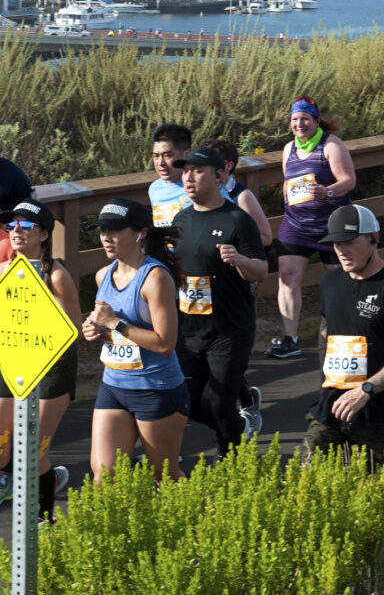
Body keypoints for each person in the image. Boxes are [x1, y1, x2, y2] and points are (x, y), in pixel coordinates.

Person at [305, 206, 384, 466]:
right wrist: (327, 379)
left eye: (349, 243)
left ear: (374, 237)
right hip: (332, 408)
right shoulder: (330, 282)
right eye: (336, 244)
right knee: (311, 485)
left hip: (381, 416)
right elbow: (326, 333)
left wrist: (366, 389)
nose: (342, 251)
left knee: (376, 496)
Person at [170, 147, 269, 453]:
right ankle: (239, 429)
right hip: (188, 330)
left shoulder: (237, 220)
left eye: (197, 171)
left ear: (219, 175)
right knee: (182, 401)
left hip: (229, 330)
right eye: (185, 171)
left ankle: (232, 467)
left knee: (219, 403)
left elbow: (262, 271)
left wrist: (239, 259)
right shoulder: (181, 219)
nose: (189, 177)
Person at [81, 199, 188, 482]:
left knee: (166, 477)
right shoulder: (103, 275)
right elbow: (111, 332)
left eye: (115, 230)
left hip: (156, 389)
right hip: (114, 387)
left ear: (140, 233)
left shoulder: (155, 278)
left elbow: (165, 343)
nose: (106, 237)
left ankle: (201, 525)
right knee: (105, 476)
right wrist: (96, 331)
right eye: (102, 230)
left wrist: (115, 323)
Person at [0, 200, 80, 519]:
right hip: (13, 361)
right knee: (2, 445)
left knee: (33, 451)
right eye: (11, 225)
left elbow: (71, 330)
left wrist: (40, 351)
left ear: (44, 234)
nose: (16, 231)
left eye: (26, 225)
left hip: (53, 370)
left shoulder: (56, 275)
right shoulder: (5, 272)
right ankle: (21, 482)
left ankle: (43, 519)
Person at [269, 97, 356, 359]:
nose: (300, 124)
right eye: (295, 119)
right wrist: (288, 200)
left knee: (338, 280)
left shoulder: (330, 145)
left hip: (331, 223)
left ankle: (343, 334)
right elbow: (287, 180)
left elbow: (349, 181)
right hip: (296, 224)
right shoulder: (288, 149)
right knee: (287, 277)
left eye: (305, 118)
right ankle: (290, 338)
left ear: (316, 120)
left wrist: (327, 191)